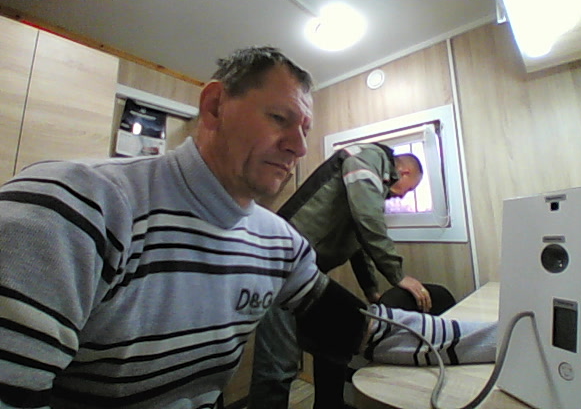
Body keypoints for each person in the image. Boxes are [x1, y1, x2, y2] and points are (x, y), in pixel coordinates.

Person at [0, 46, 496, 409]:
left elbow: (365, 332)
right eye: (280, 118)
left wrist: (506, 340)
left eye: (305, 129)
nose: (300, 147)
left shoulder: (278, 244)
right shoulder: (73, 206)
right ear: (215, 106)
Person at [248, 142, 453, 409]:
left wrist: (371, 290)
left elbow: (358, 237)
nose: (405, 196)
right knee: (278, 364)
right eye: (410, 189)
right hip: (281, 264)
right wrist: (398, 275)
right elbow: (367, 219)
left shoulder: (371, 187)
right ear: (404, 172)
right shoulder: (372, 158)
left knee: (329, 341)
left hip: (304, 272)